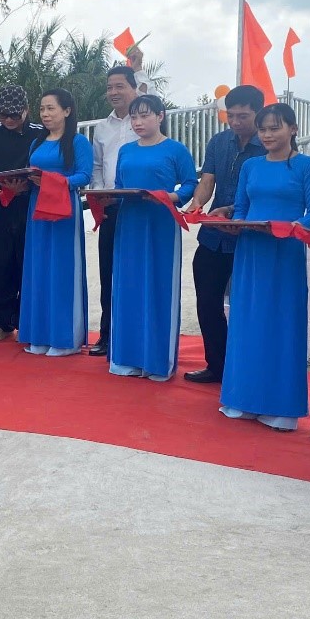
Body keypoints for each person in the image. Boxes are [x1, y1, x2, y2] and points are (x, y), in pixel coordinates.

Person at [218, 103, 310, 429]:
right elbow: (241, 207)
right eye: (263, 128)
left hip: (285, 251)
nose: (267, 134)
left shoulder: (308, 166)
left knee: (281, 322)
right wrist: (236, 223)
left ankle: (280, 407)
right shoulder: (251, 166)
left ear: (293, 129)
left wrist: (287, 228)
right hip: (251, 250)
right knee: (247, 319)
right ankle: (241, 398)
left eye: (274, 128)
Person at [108, 94, 198, 381]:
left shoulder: (175, 149)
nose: (138, 122)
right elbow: (120, 186)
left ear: (160, 116)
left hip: (160, 221)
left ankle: (157, 361)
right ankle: (127, 357)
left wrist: (168, 197)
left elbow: (189, 184)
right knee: (128, 285)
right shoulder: (126, 150)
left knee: (159, 286)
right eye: (134, 117)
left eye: (145, 115)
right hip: (129, 222)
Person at [183, 83, 265, 384]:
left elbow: (265, 194)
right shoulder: (219, 142)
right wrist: (196, 205)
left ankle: (244, 369)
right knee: (207, 301)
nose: (235, 122)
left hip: (248, 237)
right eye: (230, 115)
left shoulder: (268, 146)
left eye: (242, 116)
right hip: (214, 236)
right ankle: (217, 365)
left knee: (246, 305)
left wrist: (232, 210)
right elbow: (207, 180)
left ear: (258, 113)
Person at [19, 88, 94, 357]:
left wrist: (53, 182)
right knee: (38, 268)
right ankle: (39, 334)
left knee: (63, 270)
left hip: (63, 209)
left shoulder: (77, 142)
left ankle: (66, 339)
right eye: (42, 109)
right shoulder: (37, 142)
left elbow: (84, 176)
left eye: (51, 108)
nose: (46, 114)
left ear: (67, 110)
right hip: (37, 207)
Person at [0, 85, 47, 341]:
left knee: (27, 260)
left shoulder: (41, 134)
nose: (7, 120)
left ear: (26, 111)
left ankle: (26, 319)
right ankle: (1, 319)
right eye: (3, 115)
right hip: (1, 203)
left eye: (14, 116)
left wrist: (26, 185)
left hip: (30, 203)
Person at [87, 64, 142, 356]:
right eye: (109, 87)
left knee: (135, 271)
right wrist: (99, 193)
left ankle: (134, 335)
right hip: (109, 206)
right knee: (108, 271)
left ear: (134, 87)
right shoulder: (102, 127)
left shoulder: (144, 121)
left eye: (120, 86)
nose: (113, 92)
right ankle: (107, 335)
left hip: (138, 207)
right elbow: (97, 166)